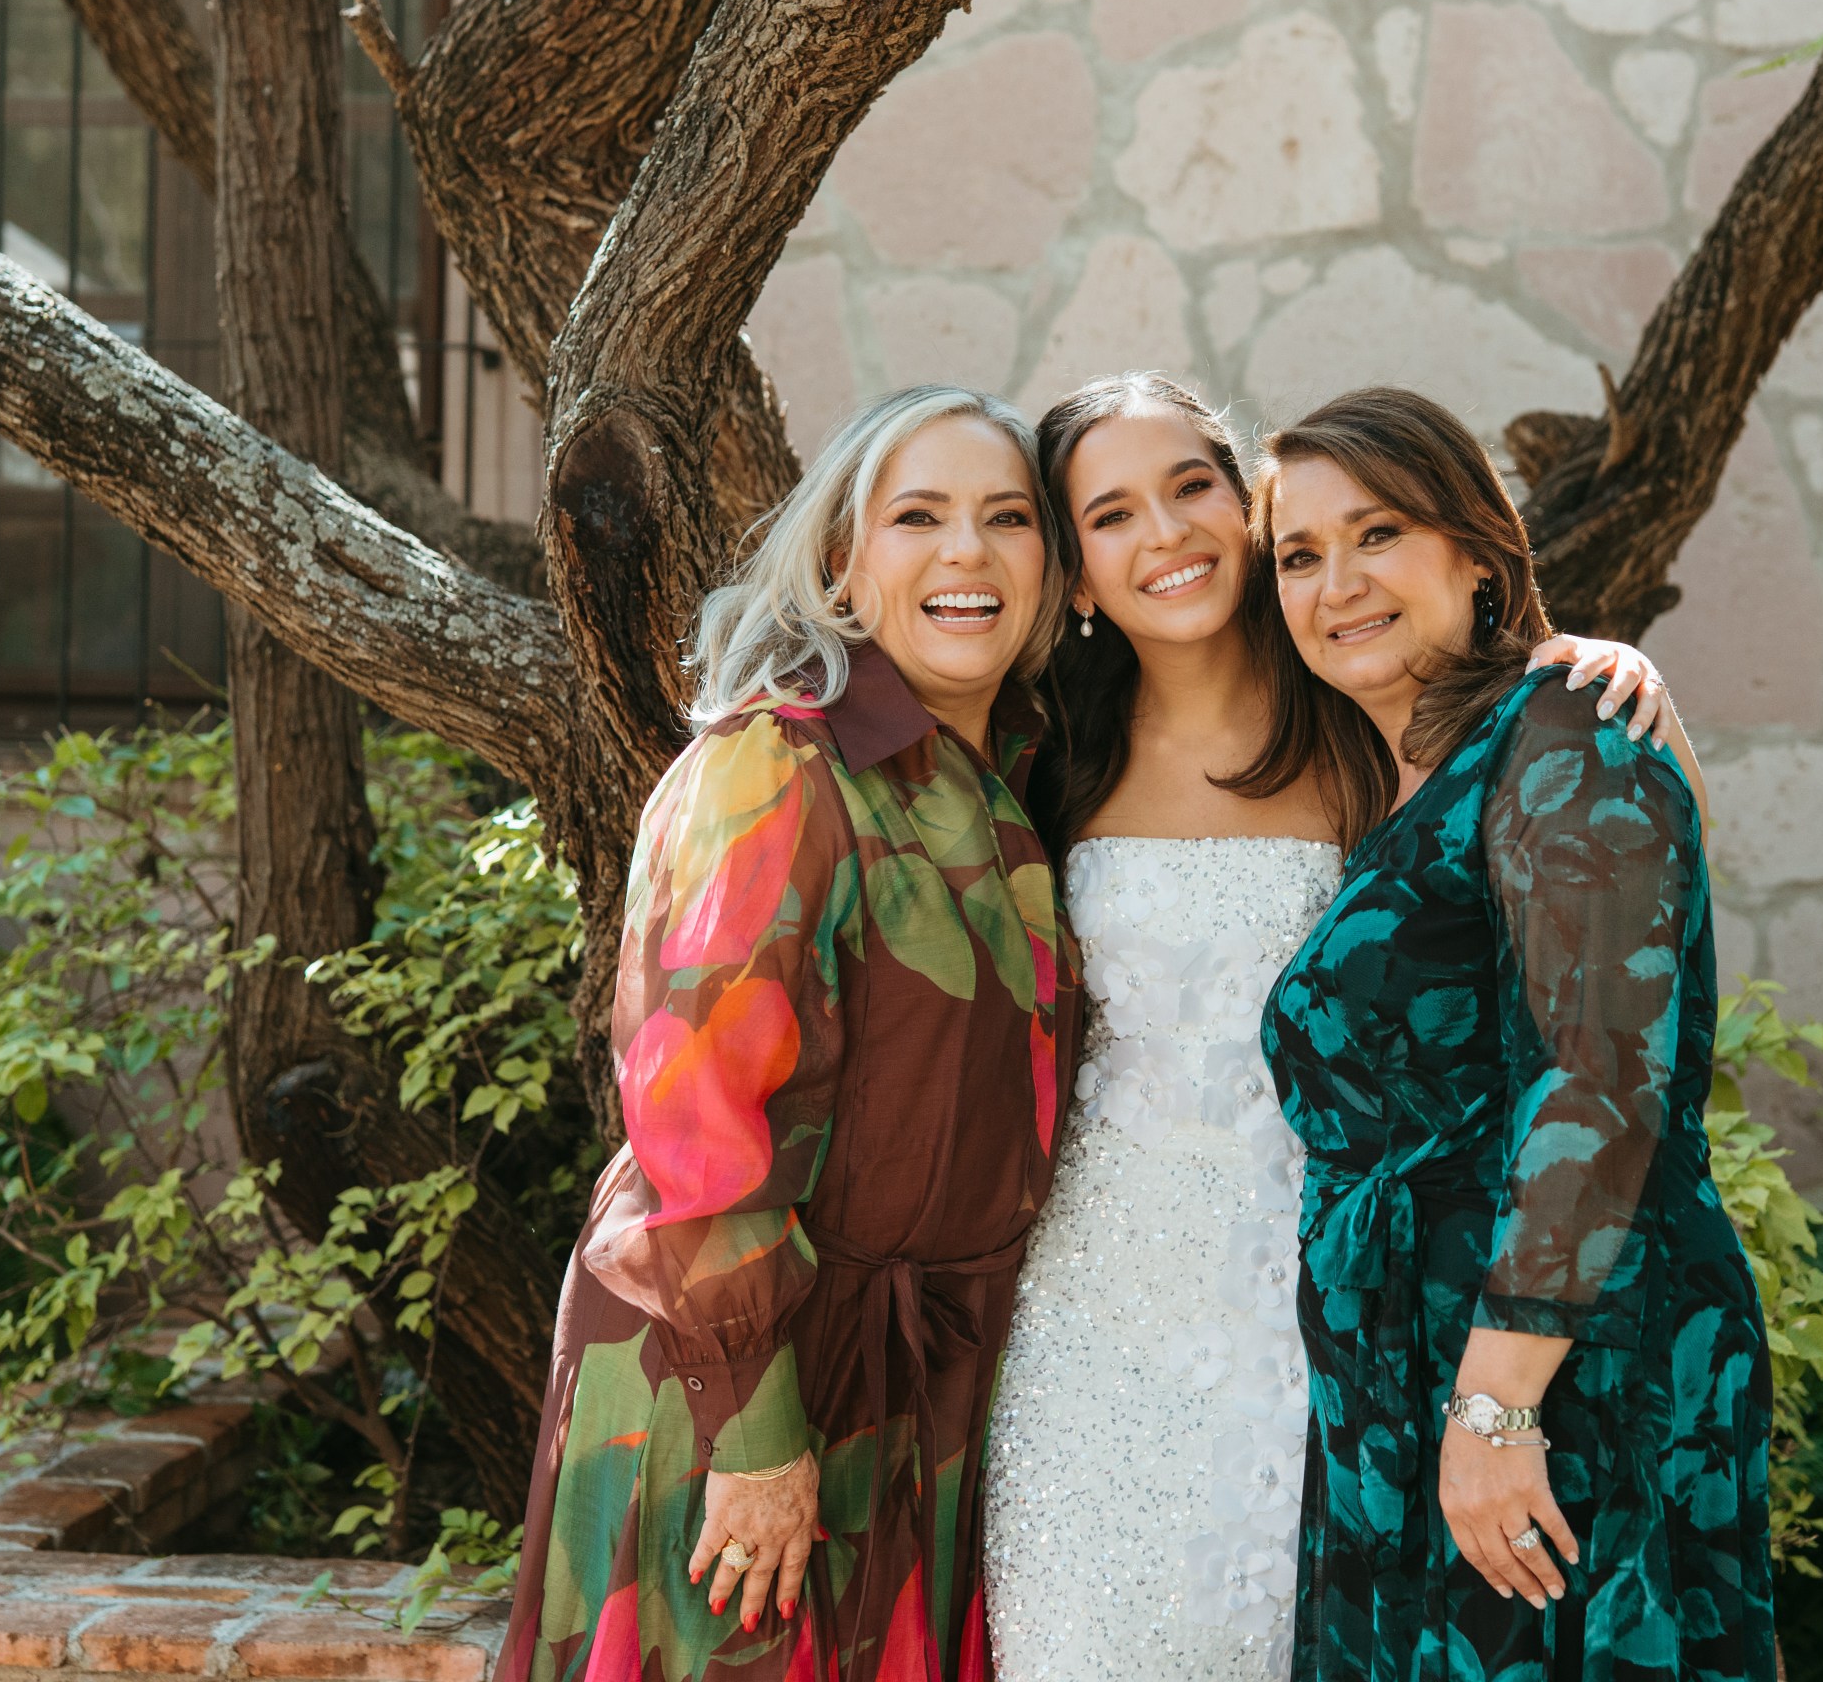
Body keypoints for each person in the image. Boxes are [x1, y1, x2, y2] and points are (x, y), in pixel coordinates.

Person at [980, 374, 1701, 1680]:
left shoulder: (1370, 718)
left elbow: (1604, 986)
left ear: (1243, 514)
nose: (1167, 532)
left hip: (1327, 1289)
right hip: (1097, 1296)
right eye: (1113, 513)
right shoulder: (1044, 756)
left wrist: (1614, 676)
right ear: (1074, 573)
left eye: (1192, 487)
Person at [487, 385, 1077, 1682]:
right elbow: (694, 1116)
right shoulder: (777, 765)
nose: (968, 551)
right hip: (751, 1374)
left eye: (1008, 518)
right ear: (841, 564)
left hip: (913, 1378)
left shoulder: (1008, 774)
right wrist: (752, 1429)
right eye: (918, 516)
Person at [1255, 387, 1773, 1682]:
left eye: (1377, 533)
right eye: (1300, 556)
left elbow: (1603, 1080)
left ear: (1479, 556)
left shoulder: (1566, 728)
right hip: (1412, 1369)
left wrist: (1497, 1407)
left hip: (1555, 1370)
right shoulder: (1415, 778)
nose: (1337, 582)